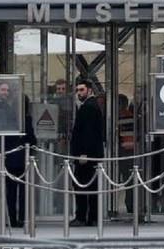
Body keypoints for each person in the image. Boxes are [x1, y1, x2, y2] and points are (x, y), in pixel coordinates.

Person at [70, 80, 104, 226]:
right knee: (89, 185)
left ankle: (83, 216)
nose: (79, 93)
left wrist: (83, 153)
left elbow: (88, 133)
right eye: (77, 90)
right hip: (91, 154)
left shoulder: (89, 107)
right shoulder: (90, 106)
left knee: (83, 185)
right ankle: (92, 217)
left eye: (82, 90)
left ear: (89, 90)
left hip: (87, 155)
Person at [5, 99, 37, 227]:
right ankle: (23, 218)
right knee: (23, 192)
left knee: (11, 192)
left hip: (10, 157)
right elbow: (31, 138)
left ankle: (11, 219)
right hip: (23, 158)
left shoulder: (8, 117)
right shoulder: (26, 119)